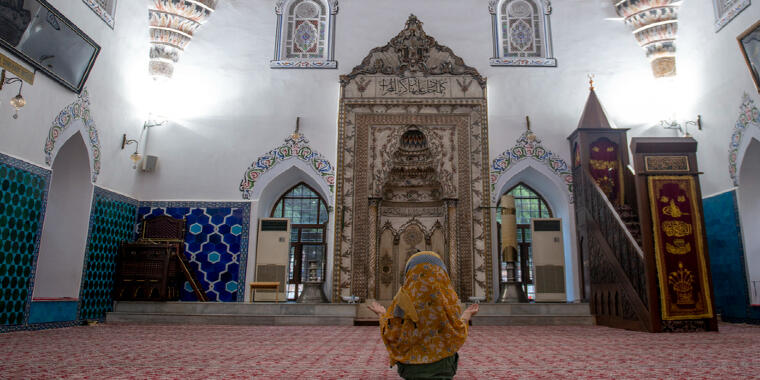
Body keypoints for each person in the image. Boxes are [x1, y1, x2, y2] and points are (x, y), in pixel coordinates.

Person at [367, 251, 479, 380]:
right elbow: (457, 331)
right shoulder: (448, 299)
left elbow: (392, 333)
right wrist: (466, 314)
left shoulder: (402, 300)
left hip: (411, 370)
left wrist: (382, 314)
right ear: (442, 273)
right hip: (443, 368)